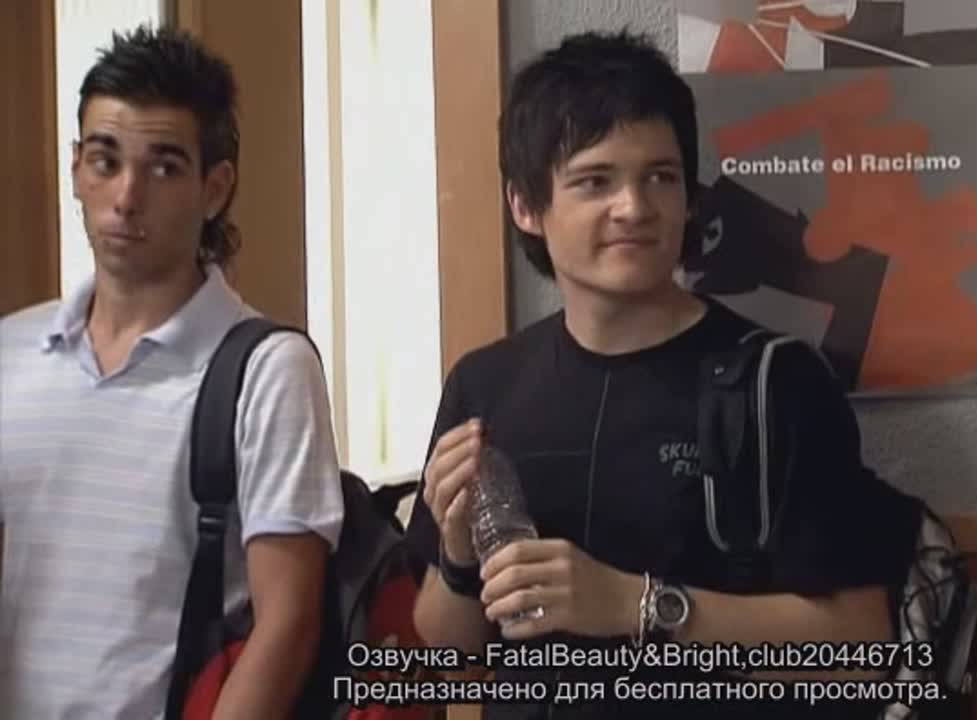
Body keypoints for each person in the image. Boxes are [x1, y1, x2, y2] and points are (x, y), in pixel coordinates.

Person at [406, 30, 905, 719]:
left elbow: (858, 651)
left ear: (690, 197)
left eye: (661, 177)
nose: (635, 208)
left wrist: (637, 604)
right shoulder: (484, 385)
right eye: (595, 181)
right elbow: (455, 660)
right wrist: (459, 554)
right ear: (525, 205)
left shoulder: (776, 383)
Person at [0, 25, 344, 719]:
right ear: (75, 169)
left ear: (215, 188)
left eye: (163, 168)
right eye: (104, 161)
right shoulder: (12, 352)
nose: (126, 197)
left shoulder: (266, 370)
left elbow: (287, 625)